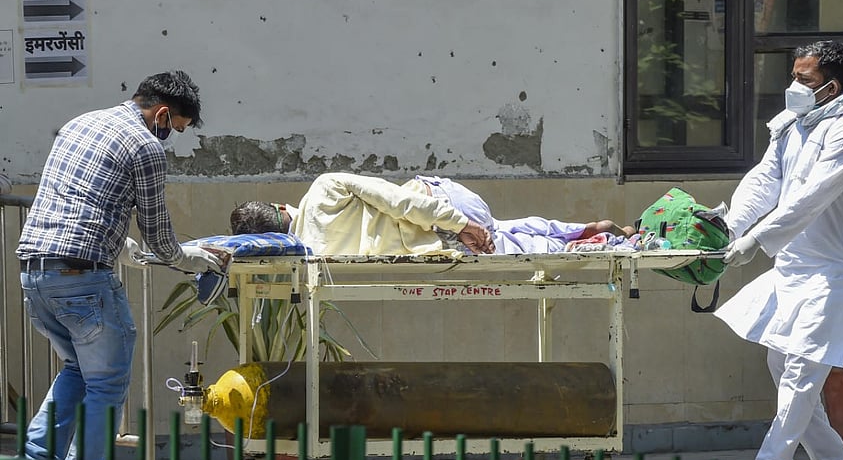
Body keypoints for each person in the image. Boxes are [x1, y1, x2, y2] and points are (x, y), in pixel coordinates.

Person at [15, 70, 224, 460]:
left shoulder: (81, 123)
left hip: (34, 273)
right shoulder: (145, 146)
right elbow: (159, 236)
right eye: (175, 128)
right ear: (162, 114)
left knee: (77, 370)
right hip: (83, 278)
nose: (171, 137)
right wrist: (193, 259)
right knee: (107, 385)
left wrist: (118, 244)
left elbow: (75, 198)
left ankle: (36, 458)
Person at [715, 41, 843, 460]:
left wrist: (756, 241)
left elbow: (808, 200)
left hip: (836, 272)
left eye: (804, 79)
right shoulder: (793, 123)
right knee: (780, 364)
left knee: (800, 373)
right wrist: (732, 225)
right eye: (794, 75)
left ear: (831, 87)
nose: (793, 86)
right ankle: (834, 459)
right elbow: (766, 178)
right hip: (794, 266)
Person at [229, 172, 634, 256]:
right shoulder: (323, 188)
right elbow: (397, 201)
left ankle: (601, 240)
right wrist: (462, 222)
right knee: (501, 228)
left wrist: (460, 230)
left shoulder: (313, 254)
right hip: (445, 208)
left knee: (516, 241)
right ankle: (590, 232)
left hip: (441, 243)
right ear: (282, 207)